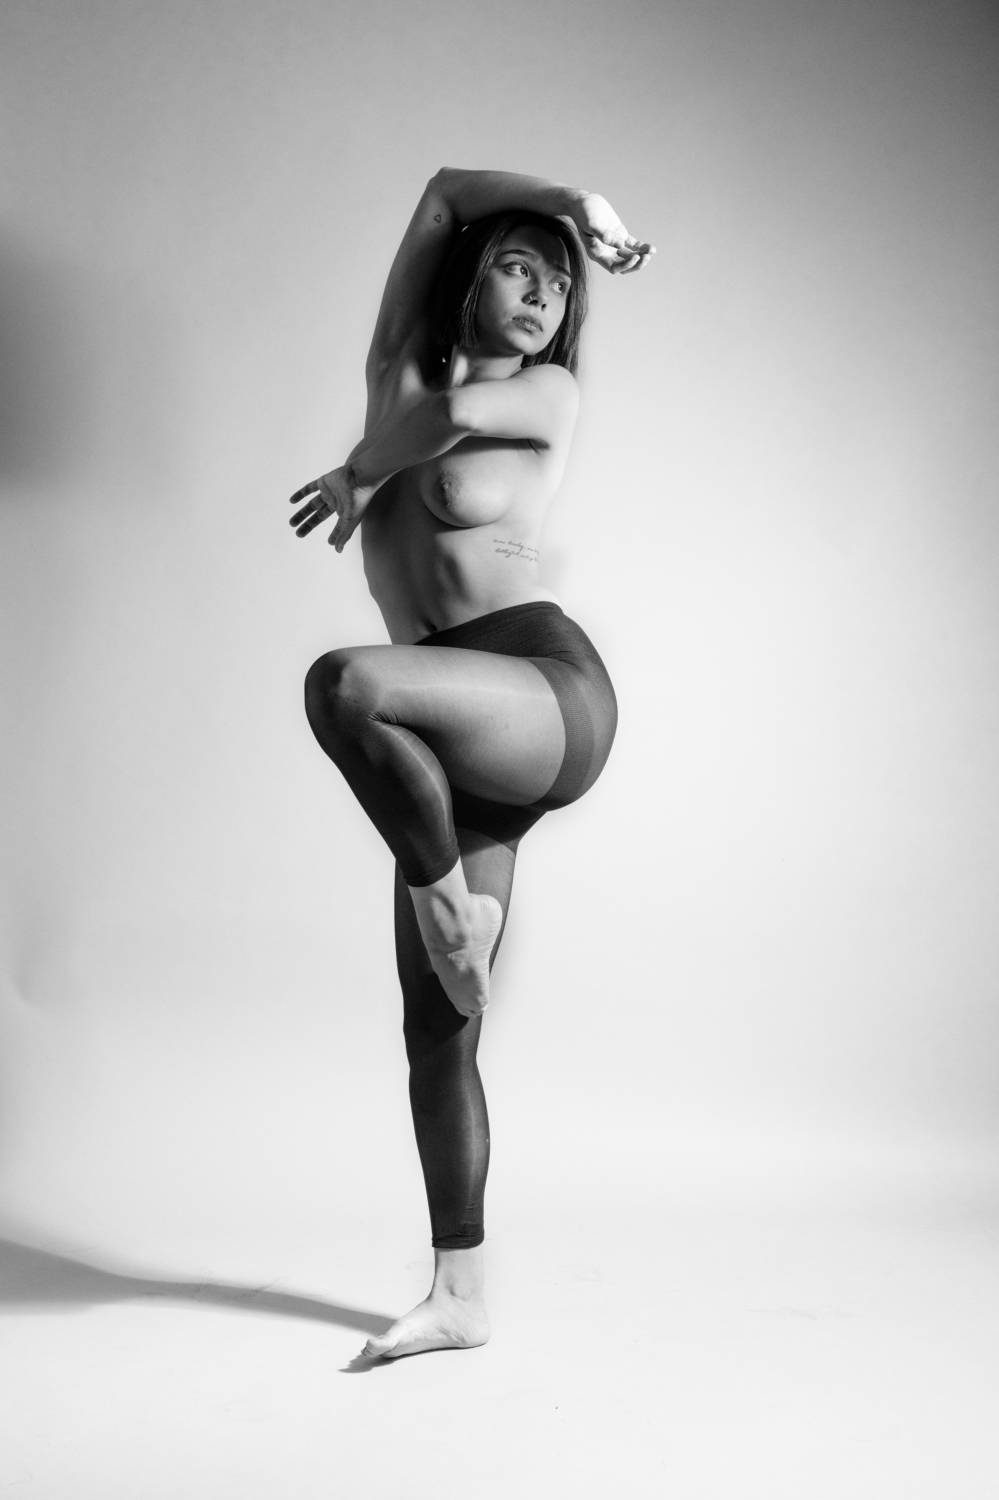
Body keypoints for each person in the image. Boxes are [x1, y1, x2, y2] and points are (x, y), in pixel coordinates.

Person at [288, 167, 653, 1359]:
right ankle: (460, 1294)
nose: (545, 292)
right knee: (439, 1028)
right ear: (467, 283)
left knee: (345, 685)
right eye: (518, 267)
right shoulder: (396, 370)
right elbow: (445, 195)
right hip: (446, 732)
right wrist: (574, 199)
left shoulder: (546, 393)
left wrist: (359, 472)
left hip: (541, 690)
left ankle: (447, 899)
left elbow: (445, 423)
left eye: (561, 281)